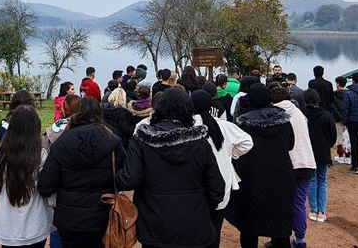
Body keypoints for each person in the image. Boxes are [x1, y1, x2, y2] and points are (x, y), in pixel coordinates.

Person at [116, 88, 225, 248]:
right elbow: (217, 188)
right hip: (194, 223)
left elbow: (129, 179)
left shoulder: (142, 140)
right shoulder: (201, 143)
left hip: (154, 223)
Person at [38, 97, 126, 248]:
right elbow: (125, 177)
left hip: (69, 218)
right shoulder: (112, 140)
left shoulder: (62, 142)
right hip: (103, 214)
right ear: (99, 113)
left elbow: (46, 186)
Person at [226, 83, 295, 248]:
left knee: (249, 224)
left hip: (252, 176)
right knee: (279, 222)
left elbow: (238, 150)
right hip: (280, 175)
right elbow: (290, 144)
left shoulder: (244, 124)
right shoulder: (284, 121)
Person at [191, 90, 254, 248]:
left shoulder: (187, 126)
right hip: (221, 184)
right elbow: (247, 142)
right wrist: (232, 153)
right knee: (215, 227)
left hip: (194, 186)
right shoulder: (224, 125)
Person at [0, 106, 53, 248]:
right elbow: (46, 187)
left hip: (7, 226)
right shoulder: (40, 154)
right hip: (35, 225)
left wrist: (4, 195)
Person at [271, 84, 316, 248]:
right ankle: (300, 240)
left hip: (288, 164)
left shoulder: (276, 114)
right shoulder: (299, 113)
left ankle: (279, 237)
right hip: (307, 162)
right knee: (299, 203)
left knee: (281, 202)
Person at [302, 89, 337, 224]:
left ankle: (313, 209)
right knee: (322, 181)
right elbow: (333, 135)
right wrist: (327, 145)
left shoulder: (303, 115)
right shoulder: (327, 115)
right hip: (323, 152)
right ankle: (321, 211)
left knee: (312, 181)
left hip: (309, 152)